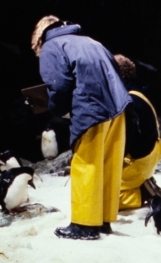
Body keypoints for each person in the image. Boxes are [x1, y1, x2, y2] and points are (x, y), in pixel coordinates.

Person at [31, 15, 130, 240]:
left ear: (38, 38)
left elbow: (59, 84)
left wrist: (55, 108)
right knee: (108, 165)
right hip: (118, 106)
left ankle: (84, 224)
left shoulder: (51, 47)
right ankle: (102, 220)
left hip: (92, 110)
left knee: (85, 164)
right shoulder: (90, 41)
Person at [114, 54, 161, 210]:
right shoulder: (139, 93)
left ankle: (143, 193)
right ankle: (142, 182)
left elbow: (127, 142)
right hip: (151, 157)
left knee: (102, 199)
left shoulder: (127, 102)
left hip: (136, 164)